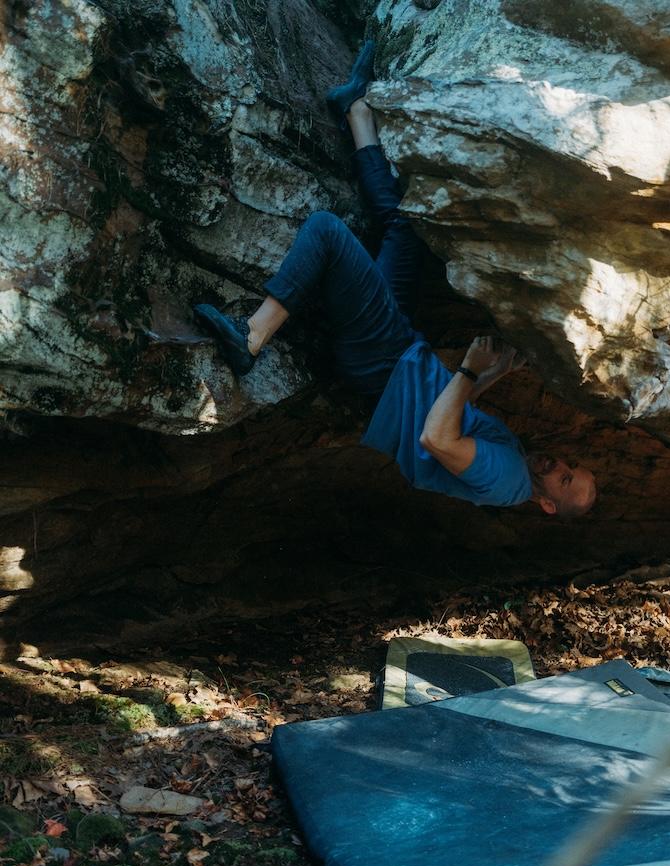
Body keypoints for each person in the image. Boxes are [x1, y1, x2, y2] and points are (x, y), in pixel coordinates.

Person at [193, 42, 596, 517]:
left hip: (384, 361)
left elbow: (435, 437)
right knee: (406, 227)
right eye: (570, 465)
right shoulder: (511, 466)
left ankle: (251, 337)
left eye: (563, 478)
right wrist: (490, 376)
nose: (557, 464)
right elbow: (449, 414)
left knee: (326, 230)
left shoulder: (505, 478)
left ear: (547, 504)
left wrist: (468, 368)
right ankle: (356, 111)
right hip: (401, 353)